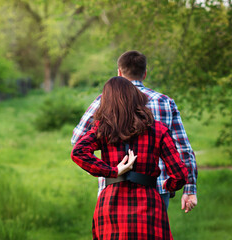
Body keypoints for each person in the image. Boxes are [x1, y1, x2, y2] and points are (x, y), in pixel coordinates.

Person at [71, 50, 197, 212]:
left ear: (119, 72)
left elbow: (78, 139)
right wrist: (189, 189)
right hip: (156, 187)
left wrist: (102, 167)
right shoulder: (165, 102)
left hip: (113, 186)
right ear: (144, 74)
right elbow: (184, 148)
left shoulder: (104, 100)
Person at [71, 77, 189, 240]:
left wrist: (112, 171)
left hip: (111, 205)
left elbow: (78, 152)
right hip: (148, 205)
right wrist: (169, 185)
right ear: (137, 98)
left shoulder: (103, 129)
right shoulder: (158, 130)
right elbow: (181, 174)